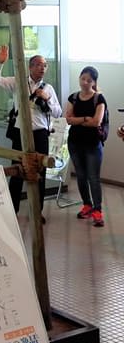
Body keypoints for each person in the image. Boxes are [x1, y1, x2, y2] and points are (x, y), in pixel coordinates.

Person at [0, 44, 62, 218]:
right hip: (20, 132)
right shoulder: (18, 82)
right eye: (38, 65)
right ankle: (12, 210)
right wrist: (0, 63)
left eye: (44, 65)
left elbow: (58, 112)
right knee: (17, 170)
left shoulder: (48, 88)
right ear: (30, 67)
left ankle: (37, 211)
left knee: (40, 171)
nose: (42, 68)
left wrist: (47, 98)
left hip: (40, 134)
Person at [65, 65, 106, 227]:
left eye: (89, 80)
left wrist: (79, 120)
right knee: (81, 176)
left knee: (93, 178)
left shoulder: (99, 99)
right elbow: (68, 119)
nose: (85, 82)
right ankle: (87, 205)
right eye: (83, 79)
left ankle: (97, 211)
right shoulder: (73, 98)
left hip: (93, 144)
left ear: (94, 82)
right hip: (75, 143)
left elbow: (97, 122)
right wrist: (85, 119)